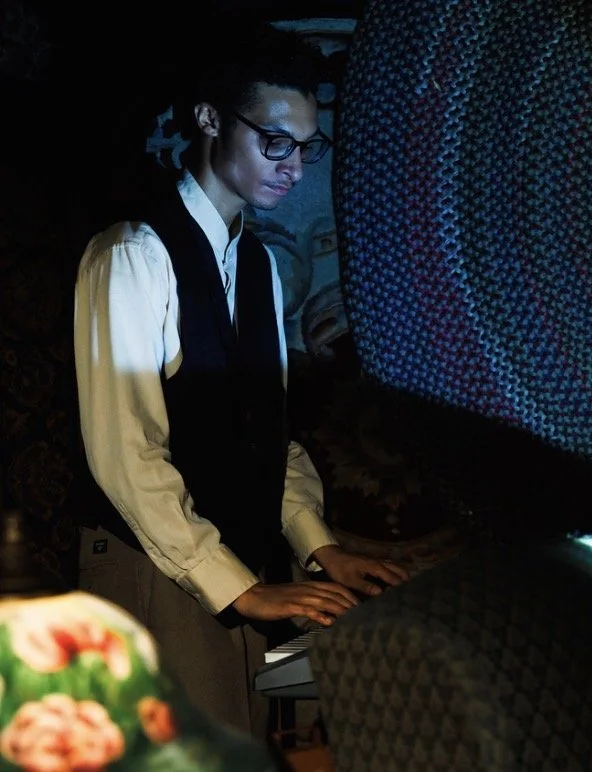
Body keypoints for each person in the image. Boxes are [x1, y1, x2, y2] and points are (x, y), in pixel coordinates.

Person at [72, 21, 410, 740]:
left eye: (306, 146)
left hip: (238, 567)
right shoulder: (132, 256)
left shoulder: (256, 266)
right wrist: (242, 589)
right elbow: (125, 456)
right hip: (153, 567)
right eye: (275, 142)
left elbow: (269, 436)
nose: (293, 166)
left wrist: (319, 545)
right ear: (208, 121)